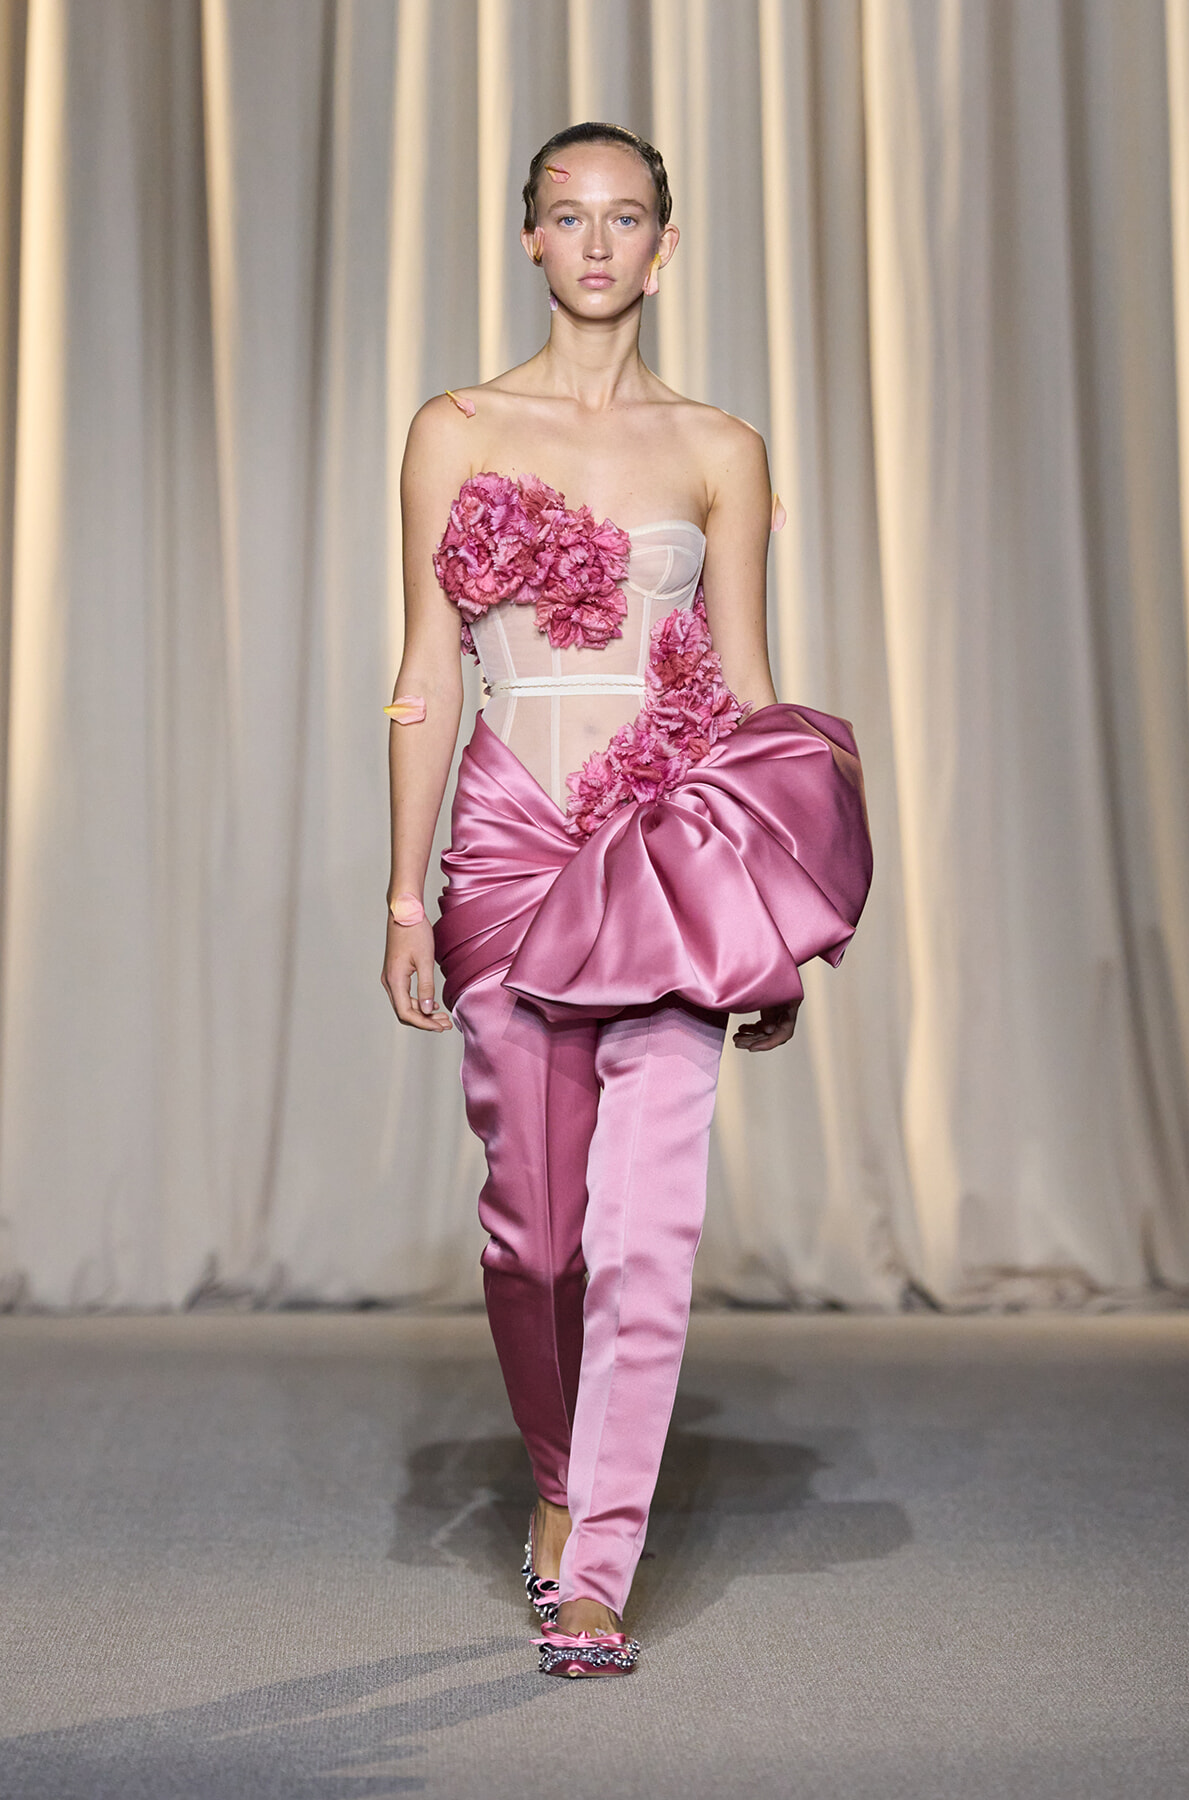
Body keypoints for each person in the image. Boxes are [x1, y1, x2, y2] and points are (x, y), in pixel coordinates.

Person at [382, 122, 872, 1678]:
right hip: (513, 849)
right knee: (535, 1239)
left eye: (628, 217)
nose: (598, 242)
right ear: (530, 239)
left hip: (668, 852)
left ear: (667, 245)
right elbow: (421, 671)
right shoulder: (454, 425)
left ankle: (593, 1564)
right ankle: (553, 1478)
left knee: (649, 1232)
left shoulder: (723, 448)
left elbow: (746, 685)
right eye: (568, 215)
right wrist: (403, 900)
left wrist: (772, 913)